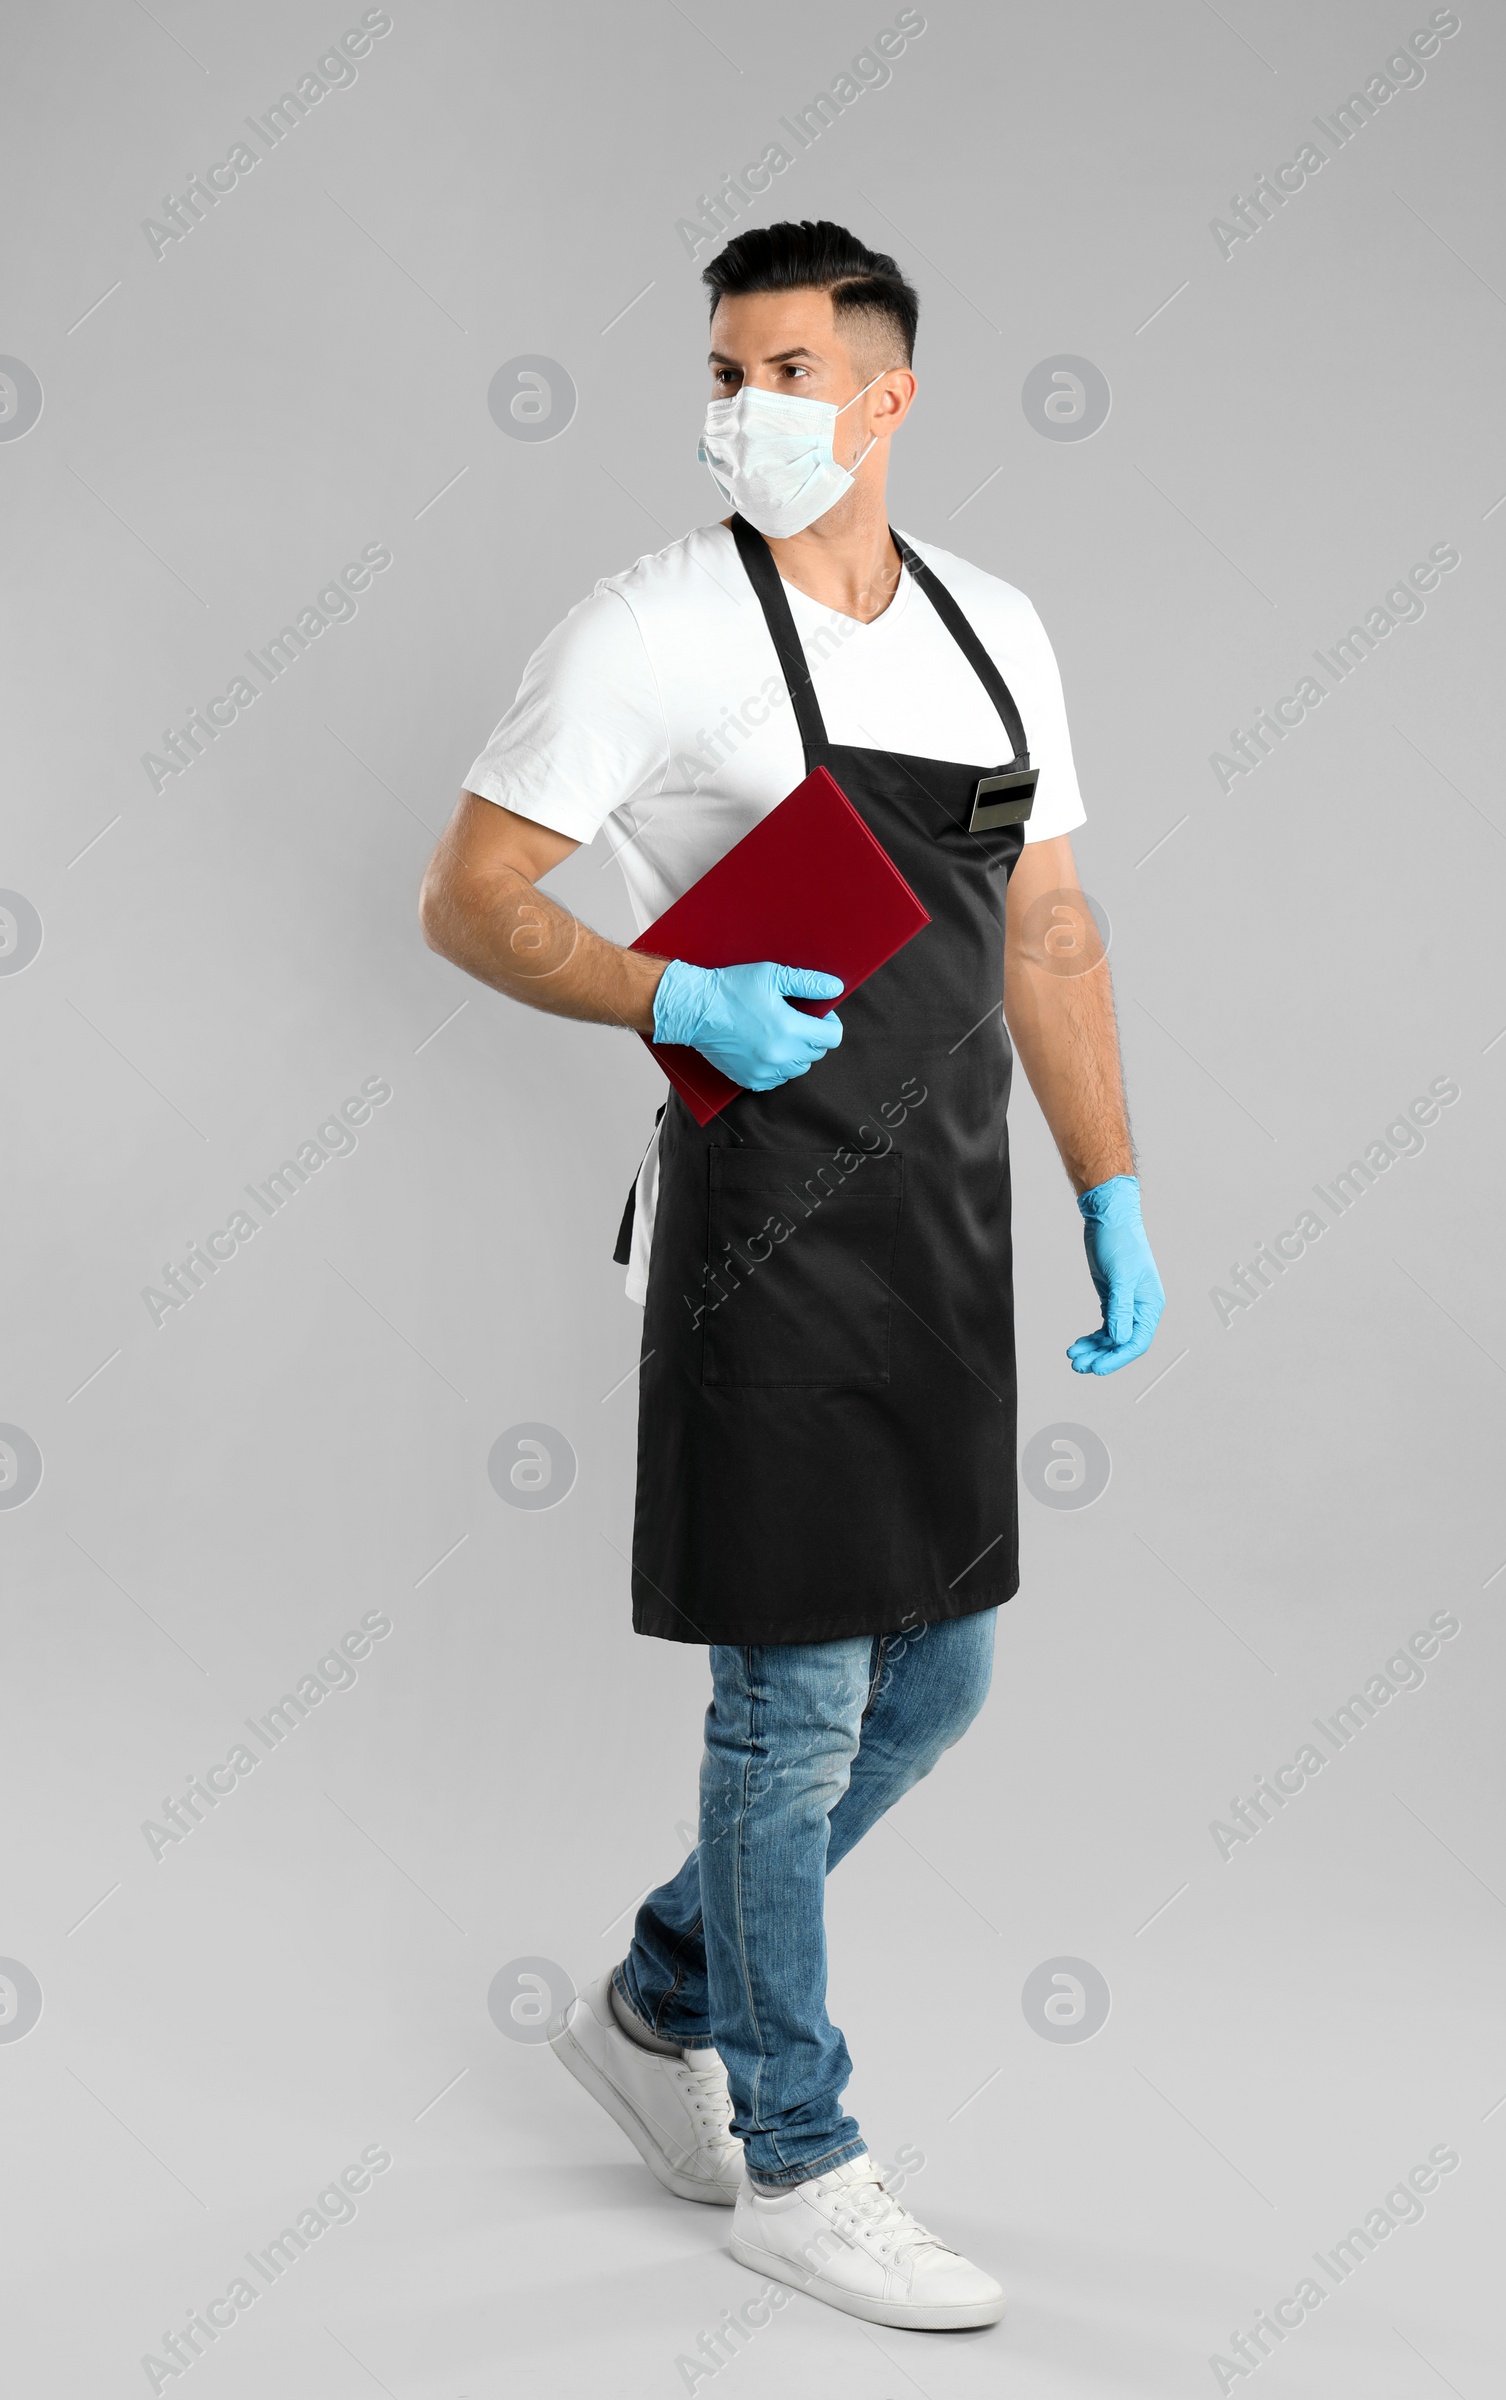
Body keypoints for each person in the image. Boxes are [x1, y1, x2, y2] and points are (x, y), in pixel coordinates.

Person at [419, 219, 1164, 2330]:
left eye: (780, 372)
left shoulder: (994, 632)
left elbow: (1044, 929)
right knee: (794, 1699)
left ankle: (657, 2007)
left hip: (944, 1226)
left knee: (939, 1680)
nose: (737, 408)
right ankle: (799, 2152)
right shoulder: (655, 625)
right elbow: (469, 898)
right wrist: (671, 1000)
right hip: (771, 1237)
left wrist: (1109, 1180)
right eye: (721, 369)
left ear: (885, 394)